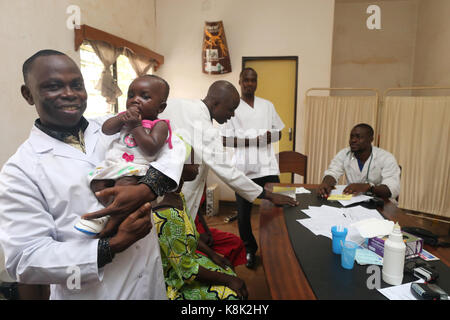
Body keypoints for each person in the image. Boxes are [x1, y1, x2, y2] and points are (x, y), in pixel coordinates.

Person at [0, 50, 185, 299]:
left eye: (76, 84)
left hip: (149, 281)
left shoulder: (113, 126)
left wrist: (146, 189)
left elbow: (174, 144)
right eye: (54, 86)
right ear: (27, 94)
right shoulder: (20, 170)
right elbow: (26, 258)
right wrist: (114, 244)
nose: (69, 93)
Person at [159, 81, 298, 230]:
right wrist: (269, 195)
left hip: (164, 187)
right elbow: (227, 171)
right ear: (215, 103)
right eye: (230, 110)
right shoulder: (207, 131)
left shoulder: (176, 104)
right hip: (175, 193)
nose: (232, 115)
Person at [75, 75, 173, 235]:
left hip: (136, 168)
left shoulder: (159, 125)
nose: (135, 100)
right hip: (113, 165)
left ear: (160, 107)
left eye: (145, 96)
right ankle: (110, 211)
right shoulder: (124, 118)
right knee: (97, 185)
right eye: (131, 95)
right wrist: (121, 118)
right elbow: (106, 129)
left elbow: (151, 148)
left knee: (123, 187)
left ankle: (111, 217)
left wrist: (136, 125)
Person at [152, 163, 248, 300]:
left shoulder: (177, 197)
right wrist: (227, 280)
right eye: (190, 161)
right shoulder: (167, 213)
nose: (197, 164)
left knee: (228, 270)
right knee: (231, 296)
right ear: (176, 167)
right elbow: (186, 271)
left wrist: (213, 255)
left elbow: (192, 235)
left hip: (189, 261)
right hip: (176, 280)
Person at [220, 67, 284, 268]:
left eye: (253, 80)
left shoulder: (267, 106)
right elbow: (225, 140)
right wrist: (252, 141)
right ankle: (250, 250)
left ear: (257, 82)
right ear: (239, 81)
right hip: (244, 168)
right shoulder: (232, 108)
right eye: (246, 80)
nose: (249, 84)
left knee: (279, 207)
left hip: (268, 166)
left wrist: (270, 137)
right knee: (244, 214)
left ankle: (278, 246)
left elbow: (279, 133)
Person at [317, 123, 400, 201]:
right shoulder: (344, 154)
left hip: (380, 203)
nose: (353, 140)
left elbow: (392, 190)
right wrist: (326, 183)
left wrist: (369, 188)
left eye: (358, 137)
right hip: (352, 201)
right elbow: (333, 172)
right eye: (351, 137)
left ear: (371, 139)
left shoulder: (386, 158)